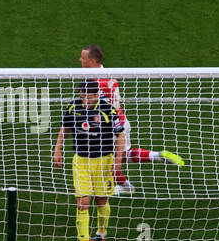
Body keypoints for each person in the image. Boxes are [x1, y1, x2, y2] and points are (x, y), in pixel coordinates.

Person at [78, 45, 184, 194]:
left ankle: (126, 185)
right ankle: (156, 157)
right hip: (121, 120)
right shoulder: (108, 74)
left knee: (108, 159)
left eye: (83, 58)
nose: (80, 60)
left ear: (93, 60)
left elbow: (96, 105)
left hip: (111, 126)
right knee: (122, 155)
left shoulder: (97, 83)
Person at [53, 80, 124, 241]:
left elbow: (120, 135)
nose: (85, 99)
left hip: (103, 161)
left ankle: (101, 234)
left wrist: (117, 161)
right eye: (82, 95)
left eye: (89, 96)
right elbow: (65, 128)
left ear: (96, 94)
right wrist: (57, 149)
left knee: (101, 200)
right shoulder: (73, 107)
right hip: (81, 161)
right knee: (83, 203)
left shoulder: (108, 109)